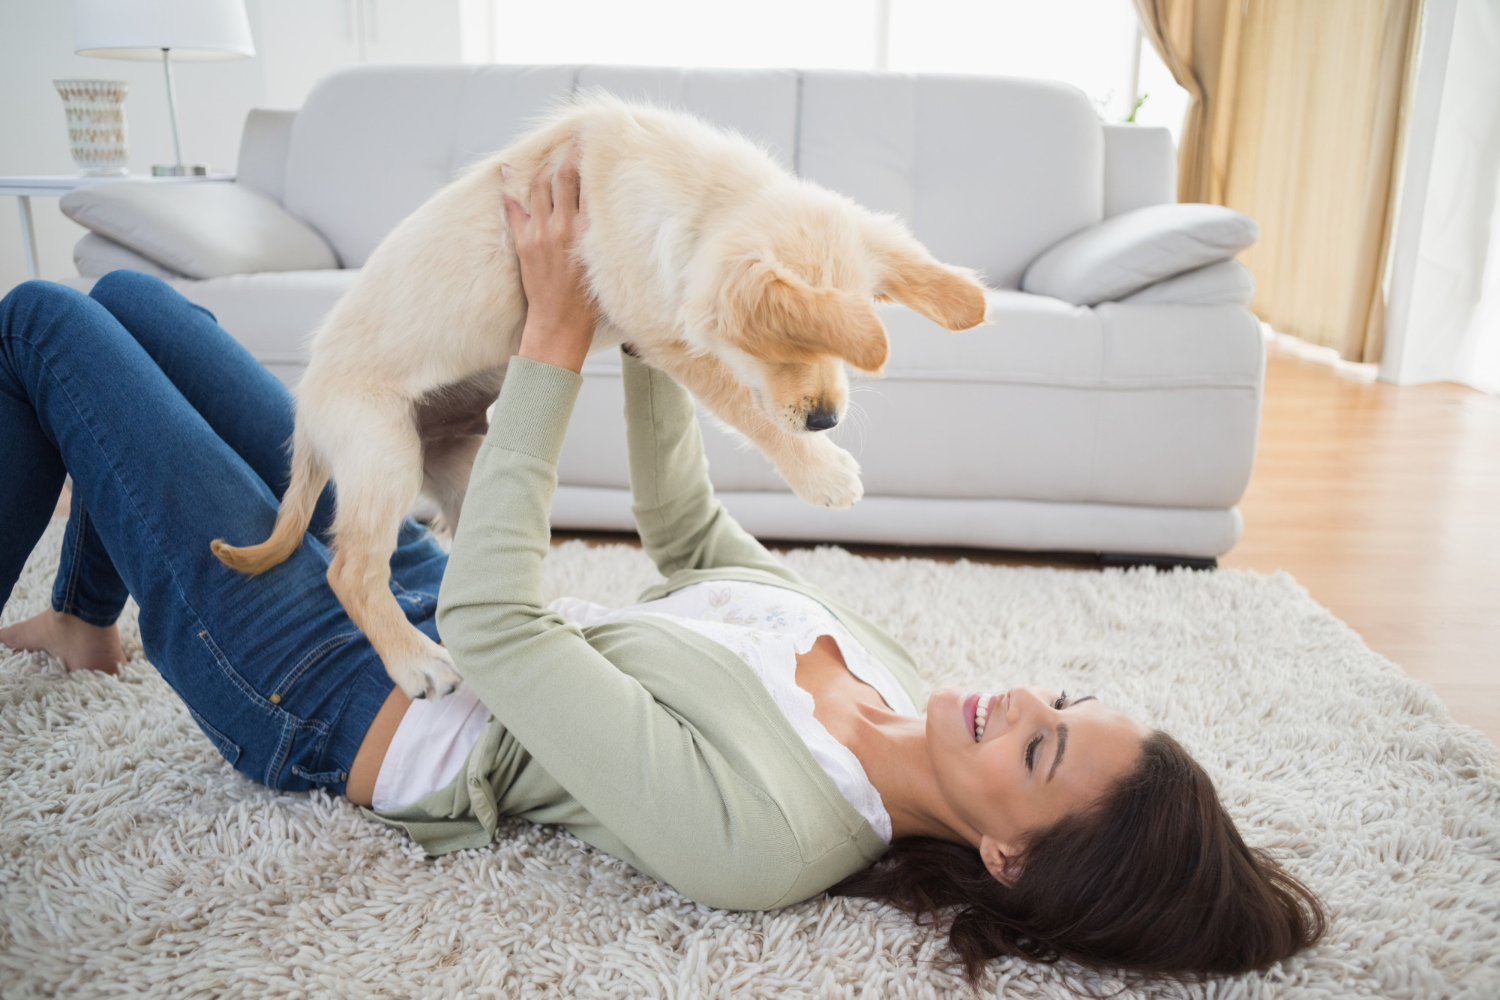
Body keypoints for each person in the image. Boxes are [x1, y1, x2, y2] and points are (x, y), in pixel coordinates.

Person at [0, 160, 1323, 986]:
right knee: (140, 310)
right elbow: (688, 540)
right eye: (1067, 702)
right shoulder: (897, 682)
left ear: (1006, 858)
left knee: (47, 321)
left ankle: (81, 599)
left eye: (1039, 753)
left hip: (331, 694)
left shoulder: (769, 841)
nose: (1021, 702)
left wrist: (554, 344)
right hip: (403, 589)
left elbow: (501, 627)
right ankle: (79, 614)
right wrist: (643, 323)